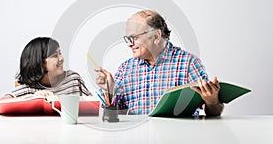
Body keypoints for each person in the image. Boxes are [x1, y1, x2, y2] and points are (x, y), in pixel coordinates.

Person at [95, 10, 223, 116]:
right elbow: (114, 116)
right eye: (128, 39)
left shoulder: (188, 64)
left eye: (134, 38)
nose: (129, 44)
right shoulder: (125, 69)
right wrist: (110, 91)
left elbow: (215, 112)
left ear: (156, 36)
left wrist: (212, 101)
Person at [0, 37, 91, 103]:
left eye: (60, 53)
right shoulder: (28, 88)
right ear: (40, 63)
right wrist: (33, 98)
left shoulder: (73, 79)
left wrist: (105, 89)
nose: (61, 58)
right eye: (54, 56)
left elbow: (94, 103)